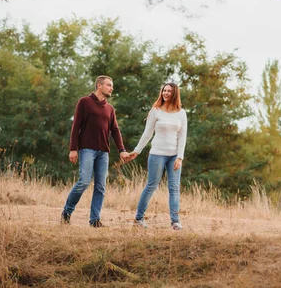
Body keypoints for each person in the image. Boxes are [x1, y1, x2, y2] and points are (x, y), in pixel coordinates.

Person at [61, 75, 130, 227]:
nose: (111, 88)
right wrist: (73, 148)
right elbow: (76, 126)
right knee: (84, 182)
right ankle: (67, 211)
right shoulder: (84, 102)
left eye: (111, 85)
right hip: (87, 150)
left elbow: (115, 130)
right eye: (109, 85)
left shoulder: (110, 108)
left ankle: (94, 220)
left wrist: (122, 150)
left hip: (103, 152)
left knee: (100, 186)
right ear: (99, 86)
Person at [128, 82, 188, 231]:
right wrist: (137, 150)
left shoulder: (181, 113)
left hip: (174, 156)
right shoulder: (156, 111)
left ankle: (175, 221)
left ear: (174, 94)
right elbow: (147, 133)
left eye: (169, 91)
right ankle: (139, 218)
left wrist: (180, 157)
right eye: (164, 91)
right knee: (151, 186)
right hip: (157, 154)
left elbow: (182, 137)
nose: (166, 93)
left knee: (174, 188)